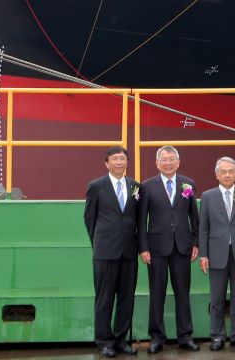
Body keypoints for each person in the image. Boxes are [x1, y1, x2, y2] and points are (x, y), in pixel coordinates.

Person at [138, 146, 200, 353]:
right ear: (157, 163)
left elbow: (194, 216)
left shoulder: (188, 184)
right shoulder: (146, 187)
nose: (168, 163)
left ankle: (185, 336)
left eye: (172, 159)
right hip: (156, 248)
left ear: (178, 162)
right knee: (157, 293)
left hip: (182, 247)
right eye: (164, 159)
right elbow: (141, 220)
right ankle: (157, 337)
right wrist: (143, 248)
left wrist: (196, 242)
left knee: (183, 293)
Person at [84, 146, 141, 357]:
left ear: (127, 162)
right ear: (106, 163)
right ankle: (104, 341)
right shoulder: (96, 186)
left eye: (122, 159)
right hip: (105, 251)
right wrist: (99, 243)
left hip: (129, 251)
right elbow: (89, 218)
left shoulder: (135, 187)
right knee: (104, 298)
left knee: (126, 298)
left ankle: (120, 340)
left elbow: (137, 217)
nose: (119, 162)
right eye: (114, 159)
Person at [198, 157, 235, 351]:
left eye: (231, 171)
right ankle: (217, 336)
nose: (227, 174)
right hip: (216, 254)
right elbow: (203, 228)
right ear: (217, 174)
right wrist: (203, 255)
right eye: (223, 171)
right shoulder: (208, 196)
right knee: (217, 297)